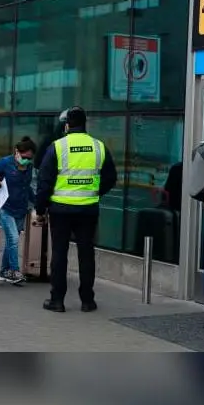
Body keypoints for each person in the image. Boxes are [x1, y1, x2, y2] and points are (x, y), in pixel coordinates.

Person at [34, 107, 117, 313]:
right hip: (88, 210)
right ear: (85, 124)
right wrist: (94, 192)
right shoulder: (99, 147)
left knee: (60, 254)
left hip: (60, 210)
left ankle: (57, 300)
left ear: (67, 125)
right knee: (86, 254)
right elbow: (110, 178)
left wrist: (40, 208)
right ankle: (87, 301)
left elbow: (45, 181)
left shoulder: (57, 147)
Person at [0, 137, 37, 284]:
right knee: (13, 239)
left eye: (29, 158)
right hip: (6, 207)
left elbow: (27, 187)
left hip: (21, 208)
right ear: (17, 152)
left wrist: (38, 202)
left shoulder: (29, 167)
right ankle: (14, 271)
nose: (27, 160)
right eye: (24, 157)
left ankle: (4, 272)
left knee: (11, 242)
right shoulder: (6, 162)